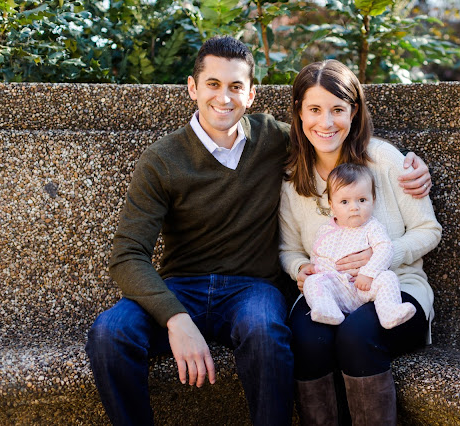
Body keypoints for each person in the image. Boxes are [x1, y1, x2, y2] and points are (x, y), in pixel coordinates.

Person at [85, 36, 432, 426]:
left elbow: (325, 131)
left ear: (251, 94)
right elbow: (127, 255)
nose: (224, 97)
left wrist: (410, 165)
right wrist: (175, 318)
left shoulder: (273, 139)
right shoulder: (162, 160)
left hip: (251, 288)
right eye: (213, 84)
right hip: (181, 286)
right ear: (192, 88)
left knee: (268, 333)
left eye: (236, 86)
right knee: (108, 334)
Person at [279, 60, 442, 425]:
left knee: (355, 334)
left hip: (397, 290)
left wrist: (382, 256)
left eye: (337, 109)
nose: (326, 122)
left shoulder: (384, 160)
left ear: (353, 111)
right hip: (332, 291)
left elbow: (429, 230)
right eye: (315, 110)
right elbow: (288, 249)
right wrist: (299, 269)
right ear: (299, 113)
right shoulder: (293, 180)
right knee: (306, 338)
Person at [303, 163, 416, 329]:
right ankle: (327, 310)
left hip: (364, 286)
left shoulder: (372, 227)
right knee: (312, 282)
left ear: (373, 200)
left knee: (388, 277)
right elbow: (318, 256)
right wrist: (315, 269)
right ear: (331, 204)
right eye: (344, 202)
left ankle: (389, 311)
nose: (354, 208)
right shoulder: (325, 230)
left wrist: (369, 273)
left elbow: (385, 249)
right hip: (337, 289)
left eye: (362, 200)